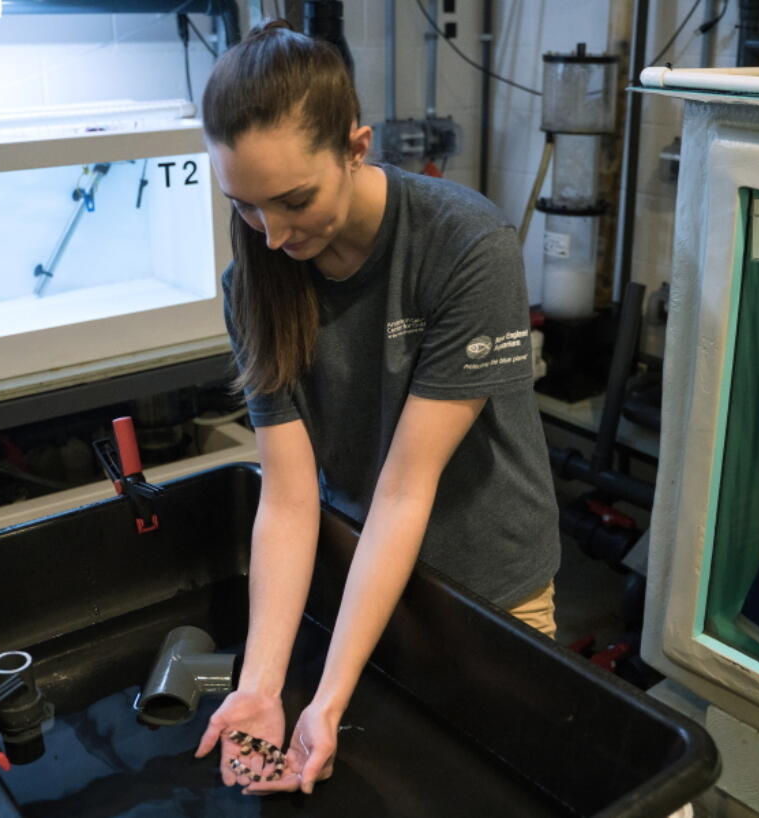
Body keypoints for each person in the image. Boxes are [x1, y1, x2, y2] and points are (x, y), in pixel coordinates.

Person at [193, 19, 560, 797]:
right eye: (247, 206)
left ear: (356, 146)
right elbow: (290, 498)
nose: (272, 234)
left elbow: (405, 486)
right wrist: (265, 685)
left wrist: (324, 699)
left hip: (491, 595)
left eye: (294, 200)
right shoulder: (253, 282)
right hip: (365, 586)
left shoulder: (465, 246)